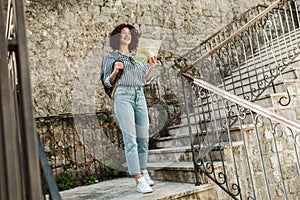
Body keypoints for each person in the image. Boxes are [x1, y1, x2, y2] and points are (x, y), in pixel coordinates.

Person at [102, 23, 157, 194]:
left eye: (129, 33)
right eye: (123, 33)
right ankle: (138, 178)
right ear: (117, 37)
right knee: (130, 138)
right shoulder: (111, 56)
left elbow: (144, 79)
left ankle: (144, 169)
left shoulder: (138, 56)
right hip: (123, 95)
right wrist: (115, 71)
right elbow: (107, 81)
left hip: (139, 94)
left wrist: (151, 67)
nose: (127, 35)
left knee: (143, 137)